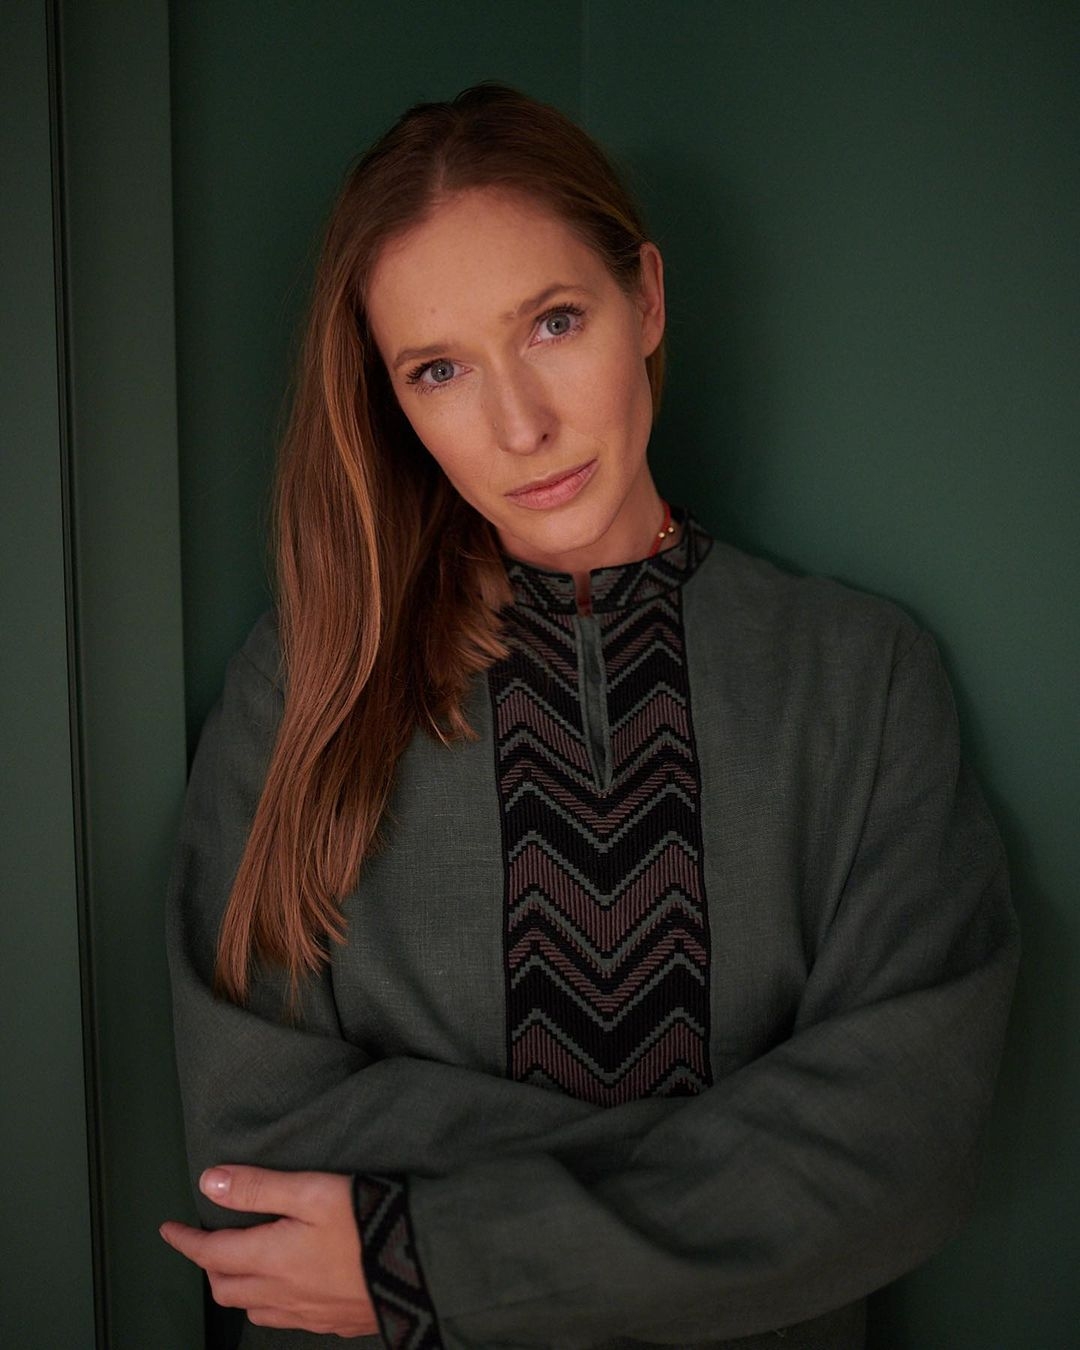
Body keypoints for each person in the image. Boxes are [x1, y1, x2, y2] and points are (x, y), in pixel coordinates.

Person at [160, 84, 1019, 1349]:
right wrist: (735, 1182)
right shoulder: (307, 683)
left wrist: (432, 1252)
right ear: (393, 403)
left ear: (647, 300)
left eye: (554, 322)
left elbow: (900, 1141)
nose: (521, 425)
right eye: (439, 369)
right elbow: (257, 1148)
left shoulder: (860, 677)